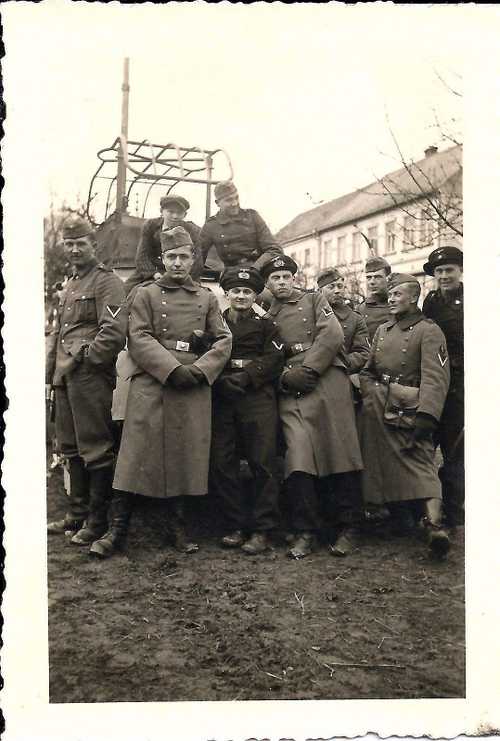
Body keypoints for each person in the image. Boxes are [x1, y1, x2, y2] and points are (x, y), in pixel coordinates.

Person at [92, 226, 232, 558]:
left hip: (192, 385)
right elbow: (137, 337)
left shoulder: (207, 297)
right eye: (172, 257)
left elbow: (224, 340)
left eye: (184, 256)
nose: (178, 263)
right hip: (153, 380)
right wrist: (170, 369)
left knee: (184, 455)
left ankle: (178, 527)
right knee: (134, 454)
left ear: (194, 259)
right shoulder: (145, 294)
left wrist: (198, 370)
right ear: (162, 259)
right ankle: (117, 529)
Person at [261, 255, 364, 559]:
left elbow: (332, 335)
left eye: (286, 277)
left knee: (339, 452)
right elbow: (264, 354)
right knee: (299, 456)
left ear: (295, 278)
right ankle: (306, 529)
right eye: (274, 278)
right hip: (291, 388)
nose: (281, 282)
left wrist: (310, 369)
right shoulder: (265, 314)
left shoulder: (314, 299)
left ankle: (349, 527)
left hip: (326, 377)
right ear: (267, 283)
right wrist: (284, 378)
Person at [46, 216, 127, 546]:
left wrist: (87, 360)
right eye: (70, 244)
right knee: (70, 446)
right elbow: (60, 332)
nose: (75, 249)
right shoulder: (71, 283)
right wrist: (52, 374)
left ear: (94, 245)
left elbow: (114, 331)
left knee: (95, 447)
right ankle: (76, 514)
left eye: (81, 243)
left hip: (89, 376)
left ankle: (96, 520)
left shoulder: (107, 282)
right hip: (65, 376)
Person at [359, 273, 451, 557]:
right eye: (390, 295)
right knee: (381, 462)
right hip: (380, 406)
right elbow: (367, 370)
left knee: (421, 461)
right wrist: (373, 392)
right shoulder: (383, 330)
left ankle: (434, 525)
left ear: (414, 297)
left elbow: (436, 377)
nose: (391, 299)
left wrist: (427, 415)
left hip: (411, 407)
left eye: (397, 294)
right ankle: (398, 517)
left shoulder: (428, 330)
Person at [210, 267, 284, 554]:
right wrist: (221, 381)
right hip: (223, 395)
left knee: (263, 461)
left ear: (255, 295)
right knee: (222, 460)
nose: (241, 296)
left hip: (257, 395)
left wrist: (247, 376)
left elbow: (275, 356)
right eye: (236, 291)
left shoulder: (267, 325)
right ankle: (235, 524)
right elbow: (207, 353)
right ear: (227, 294)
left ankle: (263, 529)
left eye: (247, 291)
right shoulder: (216, 322)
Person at [422, 246, 464, 533]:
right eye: (439, 271)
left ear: (460, 271)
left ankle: (454, 510)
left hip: (460, 386)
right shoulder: (432, 301)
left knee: (455, 450)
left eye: (449, 269)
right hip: (437, 382)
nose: (444, 275)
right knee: (426, 446)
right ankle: (427, 511)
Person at [123, 194, 203, 295]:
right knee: (126, 292)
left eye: (179, 213)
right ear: (161, 212)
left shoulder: (192, 230)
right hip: (154, 271)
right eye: (170, 212)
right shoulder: (151, 226)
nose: (175, 216)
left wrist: (182, 277)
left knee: (197, 297)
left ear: (185, 214)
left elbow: (198, 261)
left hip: (182, 272)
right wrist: (154, 274)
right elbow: (142, 256)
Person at [199, 181, 284, 273]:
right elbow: (198, 255)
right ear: (217, 203)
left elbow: (274, 249)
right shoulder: (212, 225)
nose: (235, 203)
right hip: (231, 275)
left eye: (236, 198)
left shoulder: (252, 216)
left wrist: (255, 268)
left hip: (258, 271)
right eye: (229, 200)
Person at [358, 256, 392, 341]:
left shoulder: (398, 305)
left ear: (388, 278)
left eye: (377, 277)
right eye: (369, 277)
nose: (372, 282)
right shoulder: (360, 309)